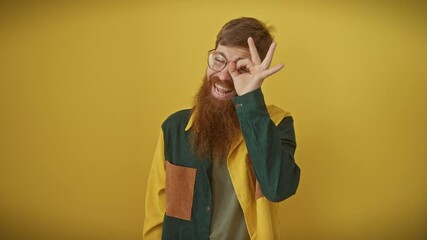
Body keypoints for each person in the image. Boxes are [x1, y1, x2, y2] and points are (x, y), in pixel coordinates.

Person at [143, 17, 301, 240]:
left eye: (242, 67)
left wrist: (250, 98)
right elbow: (156, 214)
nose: (225, 75)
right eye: (219, 60)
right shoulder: (173, 128)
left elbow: (278, 188)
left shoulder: (277, 123)